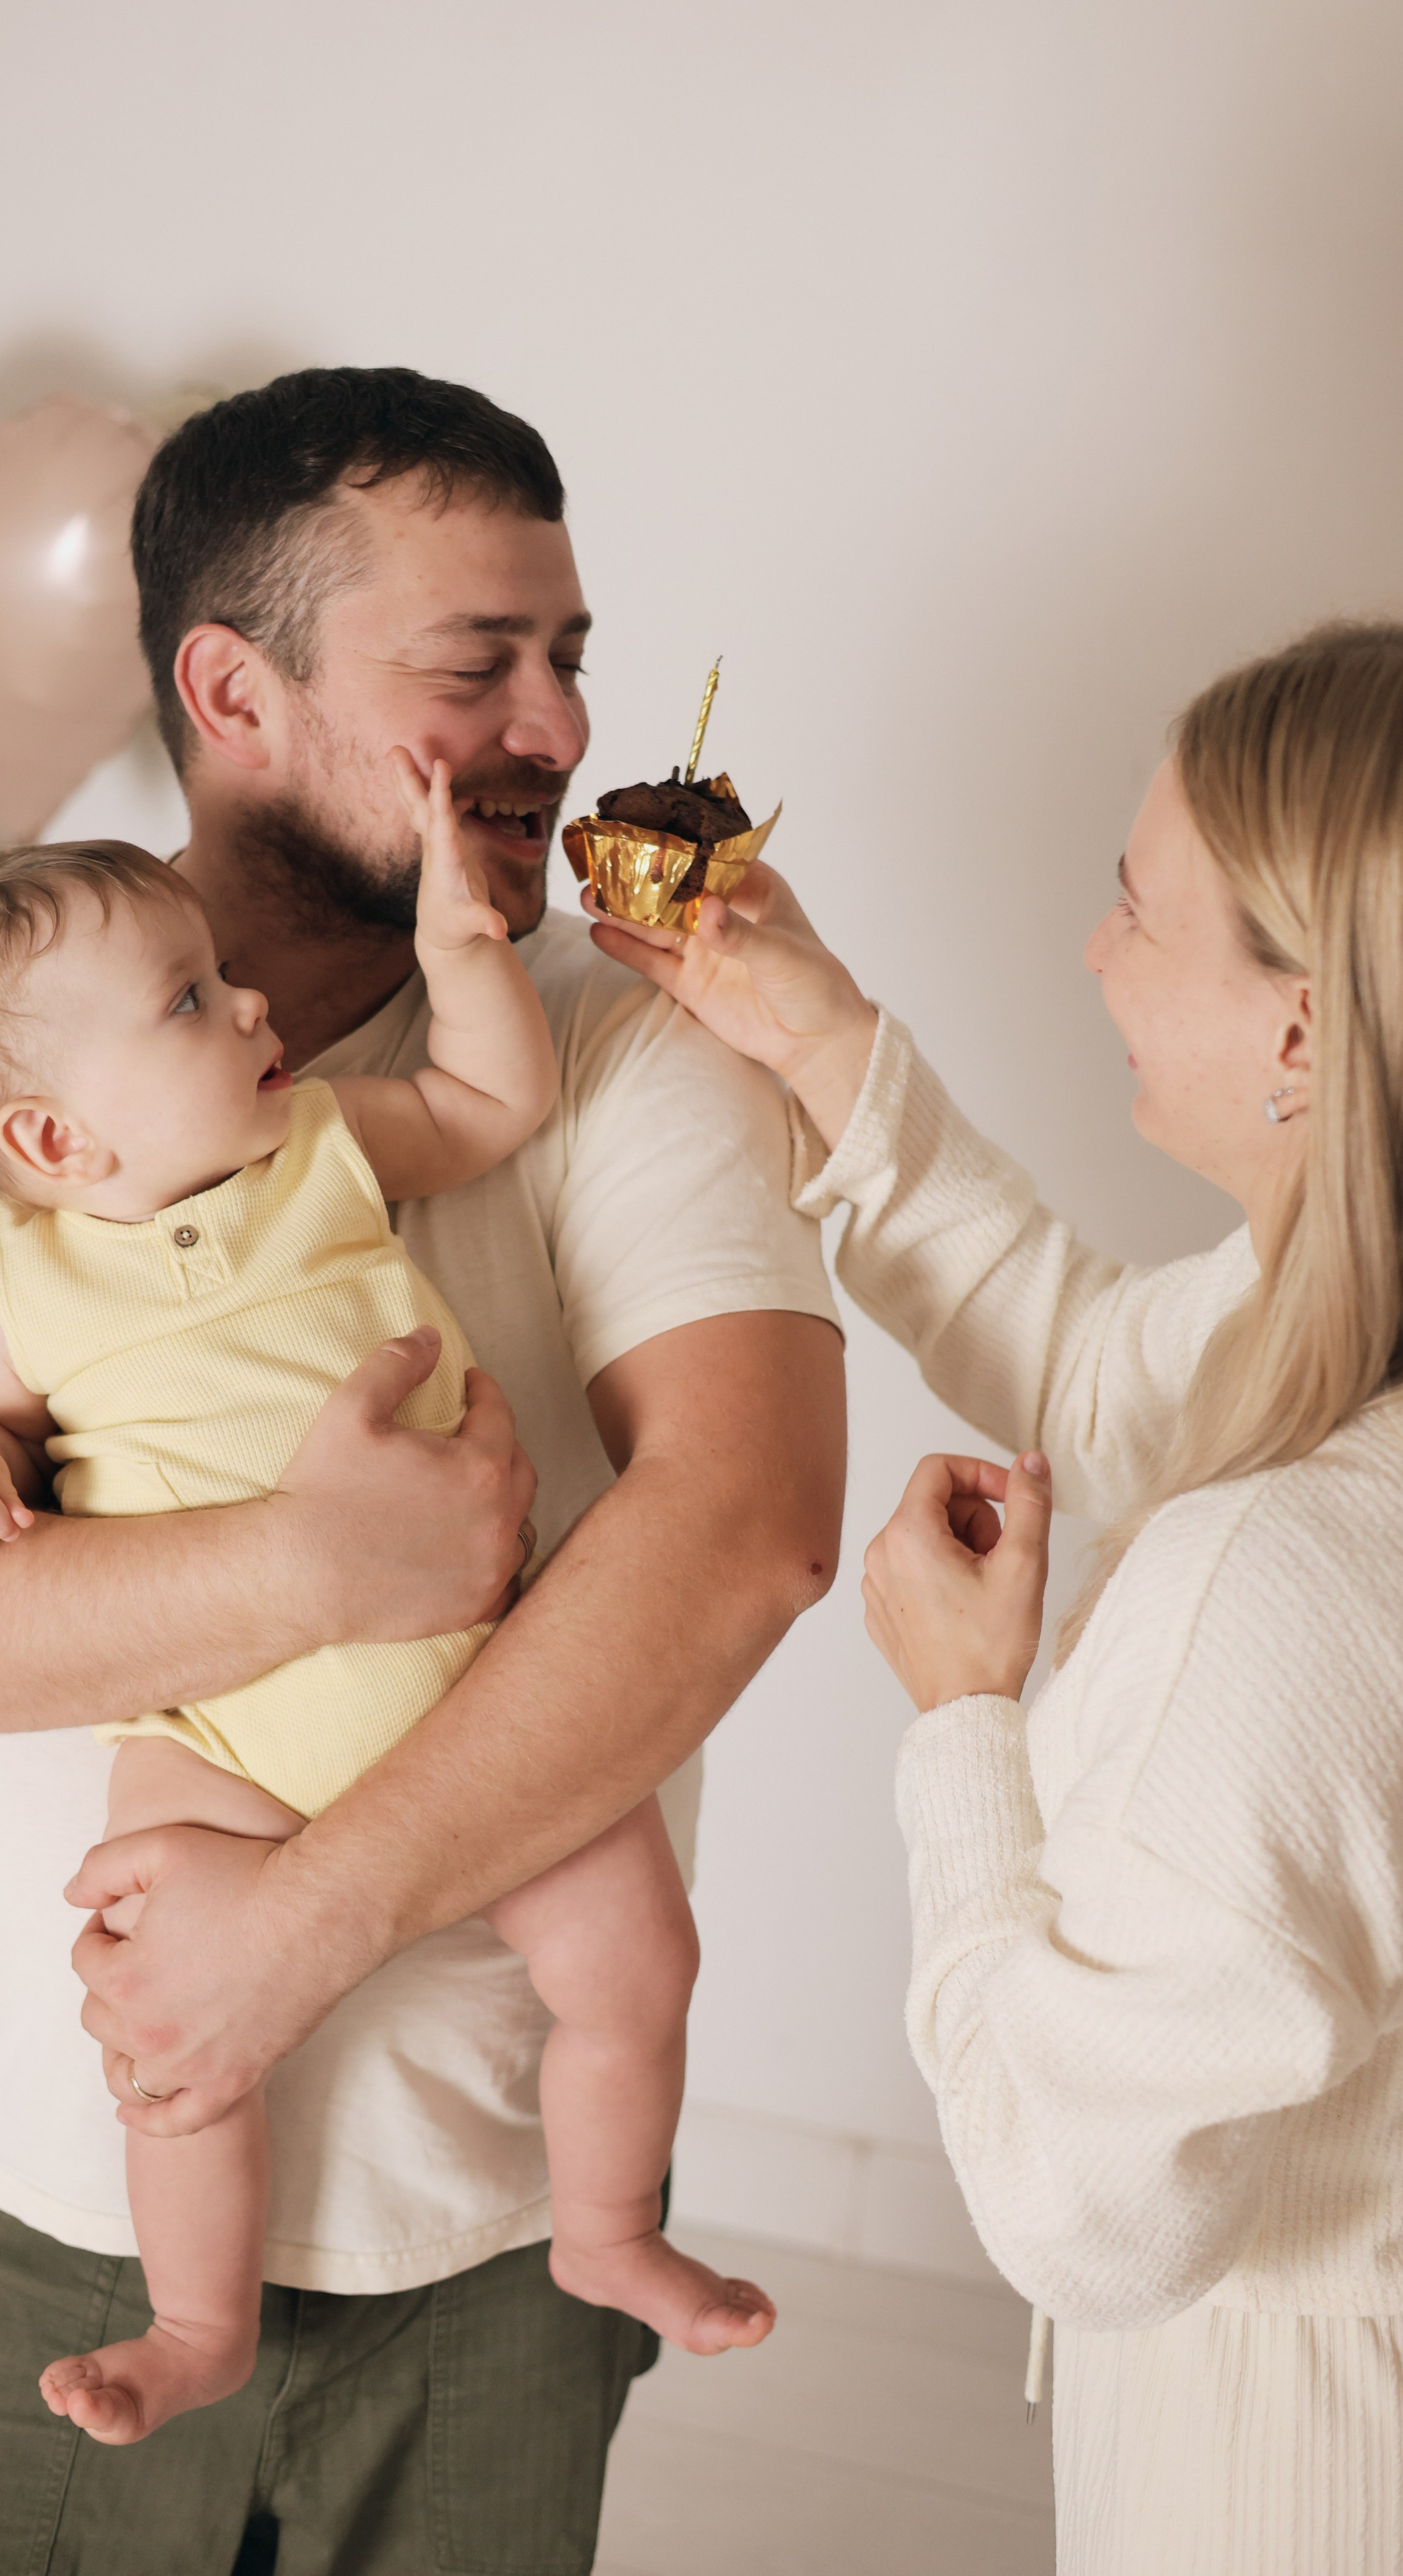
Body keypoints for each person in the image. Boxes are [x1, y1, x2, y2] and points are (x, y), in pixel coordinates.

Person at [0, 368, 843, 2575]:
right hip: (24, 2201)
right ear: (233, 689)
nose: (554, 726)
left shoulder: (621, 1041)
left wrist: (298, 1936)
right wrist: (319, 1564)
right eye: (476, 666)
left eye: (572, 658)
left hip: (492, 2248)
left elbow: (749, 1535)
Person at [590, 619, 1403, 2573]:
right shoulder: (1312, 1357)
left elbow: (1075, 2198)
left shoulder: (1273, 1580)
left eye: (1137, 906)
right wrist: (827, 1047)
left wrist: (966, 1726)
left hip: (1295, 2461)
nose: (1094, 951)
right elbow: (1107, 1369)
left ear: (1301, 1031)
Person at [0, 784, 773, 2442]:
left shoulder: (323, 1142)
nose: (254, 1003)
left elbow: (492, 1098)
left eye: (220, 975)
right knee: (168, 2043)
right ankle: (195, 2324)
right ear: (55, 1145)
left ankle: (606, 2232)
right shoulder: (24, 1275)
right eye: (191, 1001)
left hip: (480, 1689)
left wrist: (460, 947)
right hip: (223, 1734)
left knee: (637, 1958)